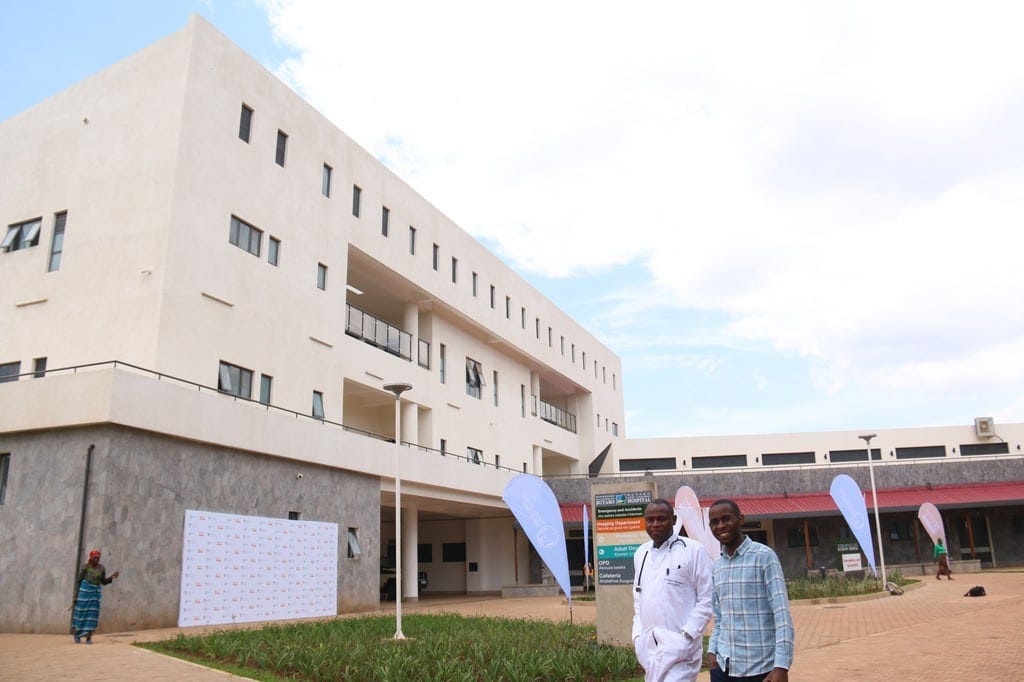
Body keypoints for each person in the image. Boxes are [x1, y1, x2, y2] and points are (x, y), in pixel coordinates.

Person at [707, 499, 794, 682]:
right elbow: (720, 617)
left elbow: (782, 616)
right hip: (723, 667)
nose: (721, 526)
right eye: (715, 522)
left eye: (726, 519)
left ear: (741, 519)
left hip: (760, 668)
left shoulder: (764, 557)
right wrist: (711, 651)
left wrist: (781, 666)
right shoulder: (717, 566)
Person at [632, 498, 713, 682]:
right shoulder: (641, 554)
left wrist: (688, 635)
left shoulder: (693, 550)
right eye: (650, 520)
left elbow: (707, 597)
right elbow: (638, 596)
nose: (655, 524)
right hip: (649, 648)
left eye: (661, 519)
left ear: (674, 520)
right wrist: (637, 635)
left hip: (681, 648)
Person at [71, 549, 119, 644]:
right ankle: (77, 635)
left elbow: (103, 582)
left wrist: (112, 577)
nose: (96, 559)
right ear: (90, 557)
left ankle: (89, 637)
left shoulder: (101, 568)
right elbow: (79, 581)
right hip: (84, 594)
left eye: (98, 558)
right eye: (94, 558)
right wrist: (75, 596)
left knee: (92, 616)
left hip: (94, 595)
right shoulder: (85, 567)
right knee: (81, 614)